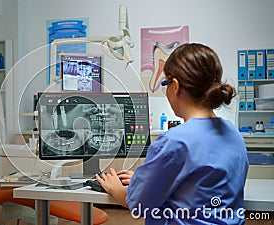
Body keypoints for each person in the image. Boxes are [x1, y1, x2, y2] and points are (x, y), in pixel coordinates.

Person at [96, 43, 249, 224]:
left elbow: (139, 205)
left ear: (174, 86)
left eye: (165, 84)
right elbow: (199, 189)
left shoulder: (174, 141)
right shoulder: (233, 133)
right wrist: (142, 180)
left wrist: (116, 188)